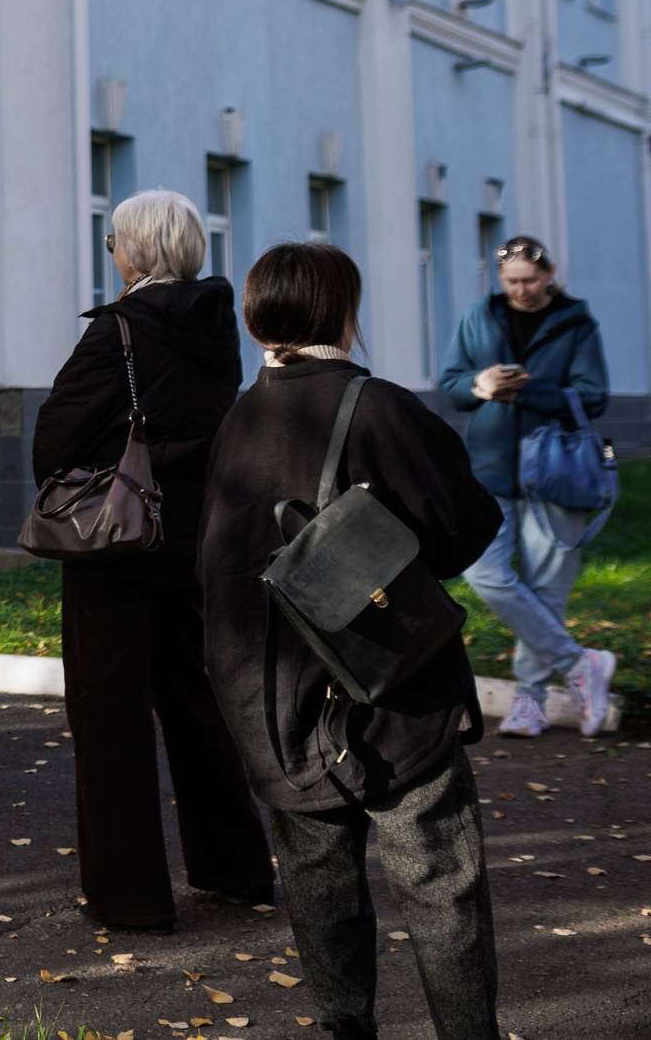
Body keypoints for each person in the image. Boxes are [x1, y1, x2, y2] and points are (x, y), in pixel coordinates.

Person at [204, 241, 503, 1040]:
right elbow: (468, 523)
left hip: (273, 705)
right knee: (441, 887)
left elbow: (218, 567)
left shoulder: (238, 416)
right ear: (343, 310)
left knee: (318, 891)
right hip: (390, 691)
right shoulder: (379, 407)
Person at [30, 190, 274, 929]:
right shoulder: (217, 328)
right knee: (195, 704)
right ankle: (235, 868)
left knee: (109, 717)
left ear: (133, 250)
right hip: (191, 538)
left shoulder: (120, 331)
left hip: (117, 542)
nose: (111, 254)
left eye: (112, 242)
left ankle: (129, 894)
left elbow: (54, 442)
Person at [437, 235, 618, 738]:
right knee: (485, 574)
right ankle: (582, 664)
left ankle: (531, 703)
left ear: (550, 273)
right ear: (500, 278)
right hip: (490, 471)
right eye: (512, 280)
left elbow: (593, 396)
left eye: (531, 280)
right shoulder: (478, 317)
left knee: (546, 589)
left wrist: (524, 391)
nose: (521, 289)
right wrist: (481, 386)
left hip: (559, 475)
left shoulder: (576, 323)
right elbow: (450, 382)